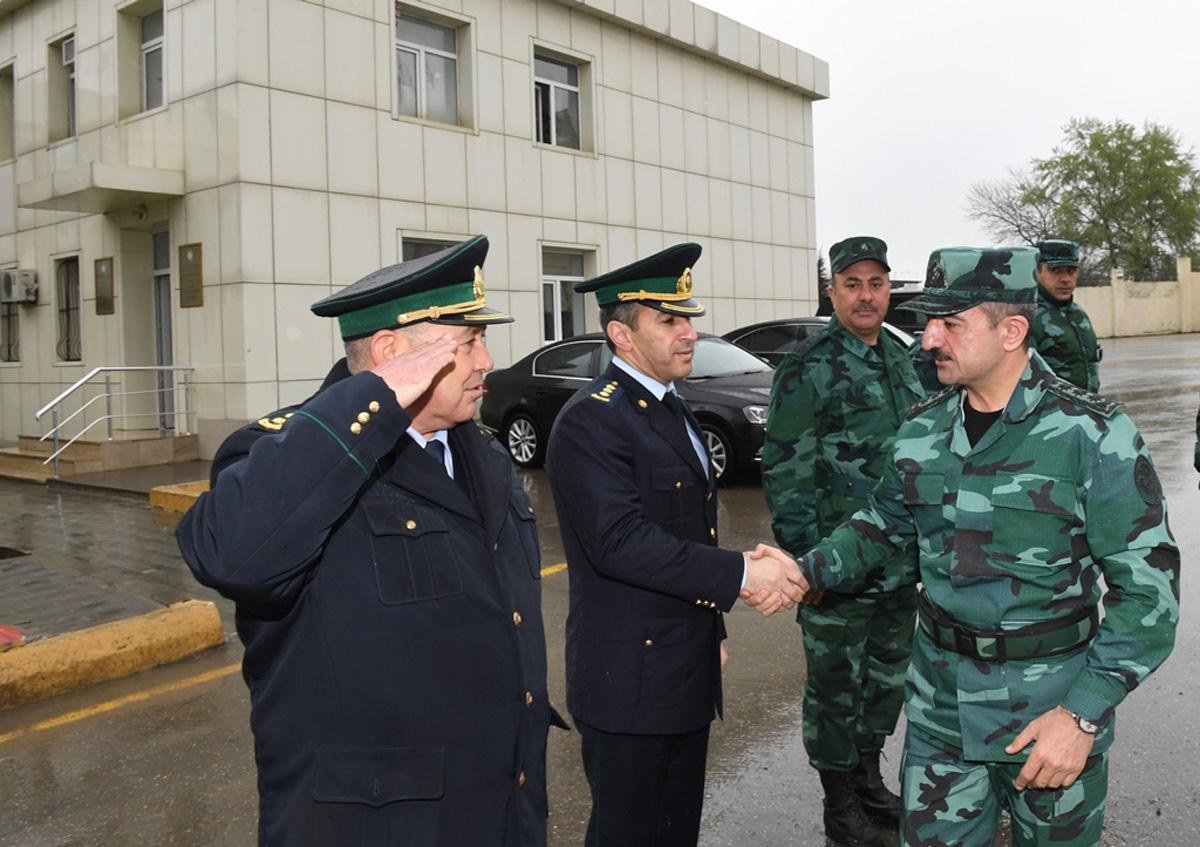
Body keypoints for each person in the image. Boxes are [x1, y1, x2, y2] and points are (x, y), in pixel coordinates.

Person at [758, 246, 1179, 846]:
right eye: (929, 321)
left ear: (1011, 331)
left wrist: (1084, 713)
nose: (928, 339)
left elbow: (1150, 593)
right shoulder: (924, 428)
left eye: (949, 323)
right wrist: (801, 570)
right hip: (940, 712)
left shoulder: (1093, 434)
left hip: (1050, 713)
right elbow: (882, 523)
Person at [177, 236, 563, 847]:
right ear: (390, 353)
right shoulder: (289, 448)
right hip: (379, 823)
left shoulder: (479, 450)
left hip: (499, 805)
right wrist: (372, 400)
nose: (487, 360)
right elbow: (231, 554)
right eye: (467, 343)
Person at [545, 243, 805, 847]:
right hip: (628, 679)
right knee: (629, 832)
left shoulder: (672, 407)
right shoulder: (592, 419)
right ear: (621, 334)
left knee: (674, 827)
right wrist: (744, 573)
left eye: (689, 318)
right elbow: (621, 543)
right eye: (670, 321)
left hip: (681, 665)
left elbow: (691, 532)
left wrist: (708, 636)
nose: (689, 333)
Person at [762, 235, 924, 846]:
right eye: (852, 284)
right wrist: (811, 569)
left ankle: (867, 777)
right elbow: (785, 473)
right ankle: (838, 802)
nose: (865, 296)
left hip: (897, 563)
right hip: (837, 562)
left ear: (889, 290)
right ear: (832, 292)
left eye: (876, 283)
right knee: (835, 685)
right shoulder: (808, 367)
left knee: (885, 680)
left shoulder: (903, 359)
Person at [1030, 239, 1102, 391]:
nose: (1065, 279)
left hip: (1087, 408)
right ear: (1038, 270)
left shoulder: (1078, 313)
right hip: (1049, 411)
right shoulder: (1027, 316)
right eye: (1055, 270)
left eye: (1071, 271)